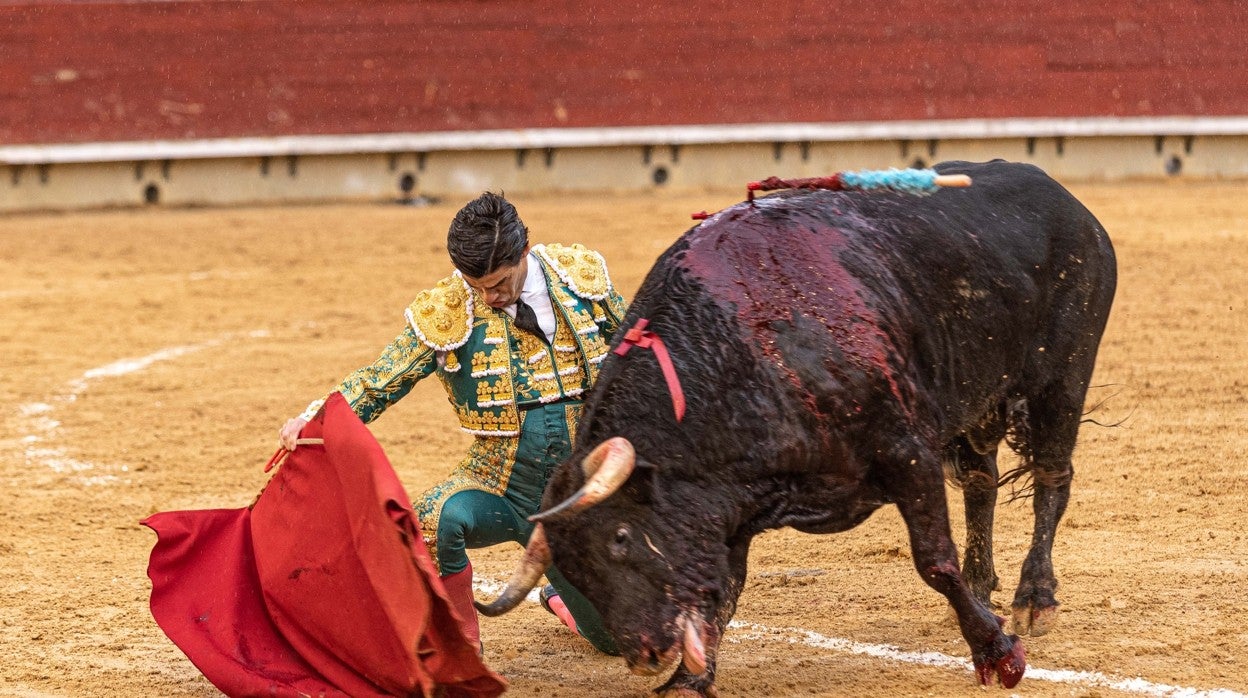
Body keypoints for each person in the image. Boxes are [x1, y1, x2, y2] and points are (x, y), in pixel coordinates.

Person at [278, 192, 626, 655]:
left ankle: (560, 597)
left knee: (617, 640)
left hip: (583, 489)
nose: (489, 297)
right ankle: (461, 655)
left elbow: (639, 348)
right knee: (434, 519)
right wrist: (313, 417)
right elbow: (383, 378)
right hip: (501, 483)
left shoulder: (578, 278)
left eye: (499, 283)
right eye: (475, 284)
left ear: (524, 252)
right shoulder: (447, 309)